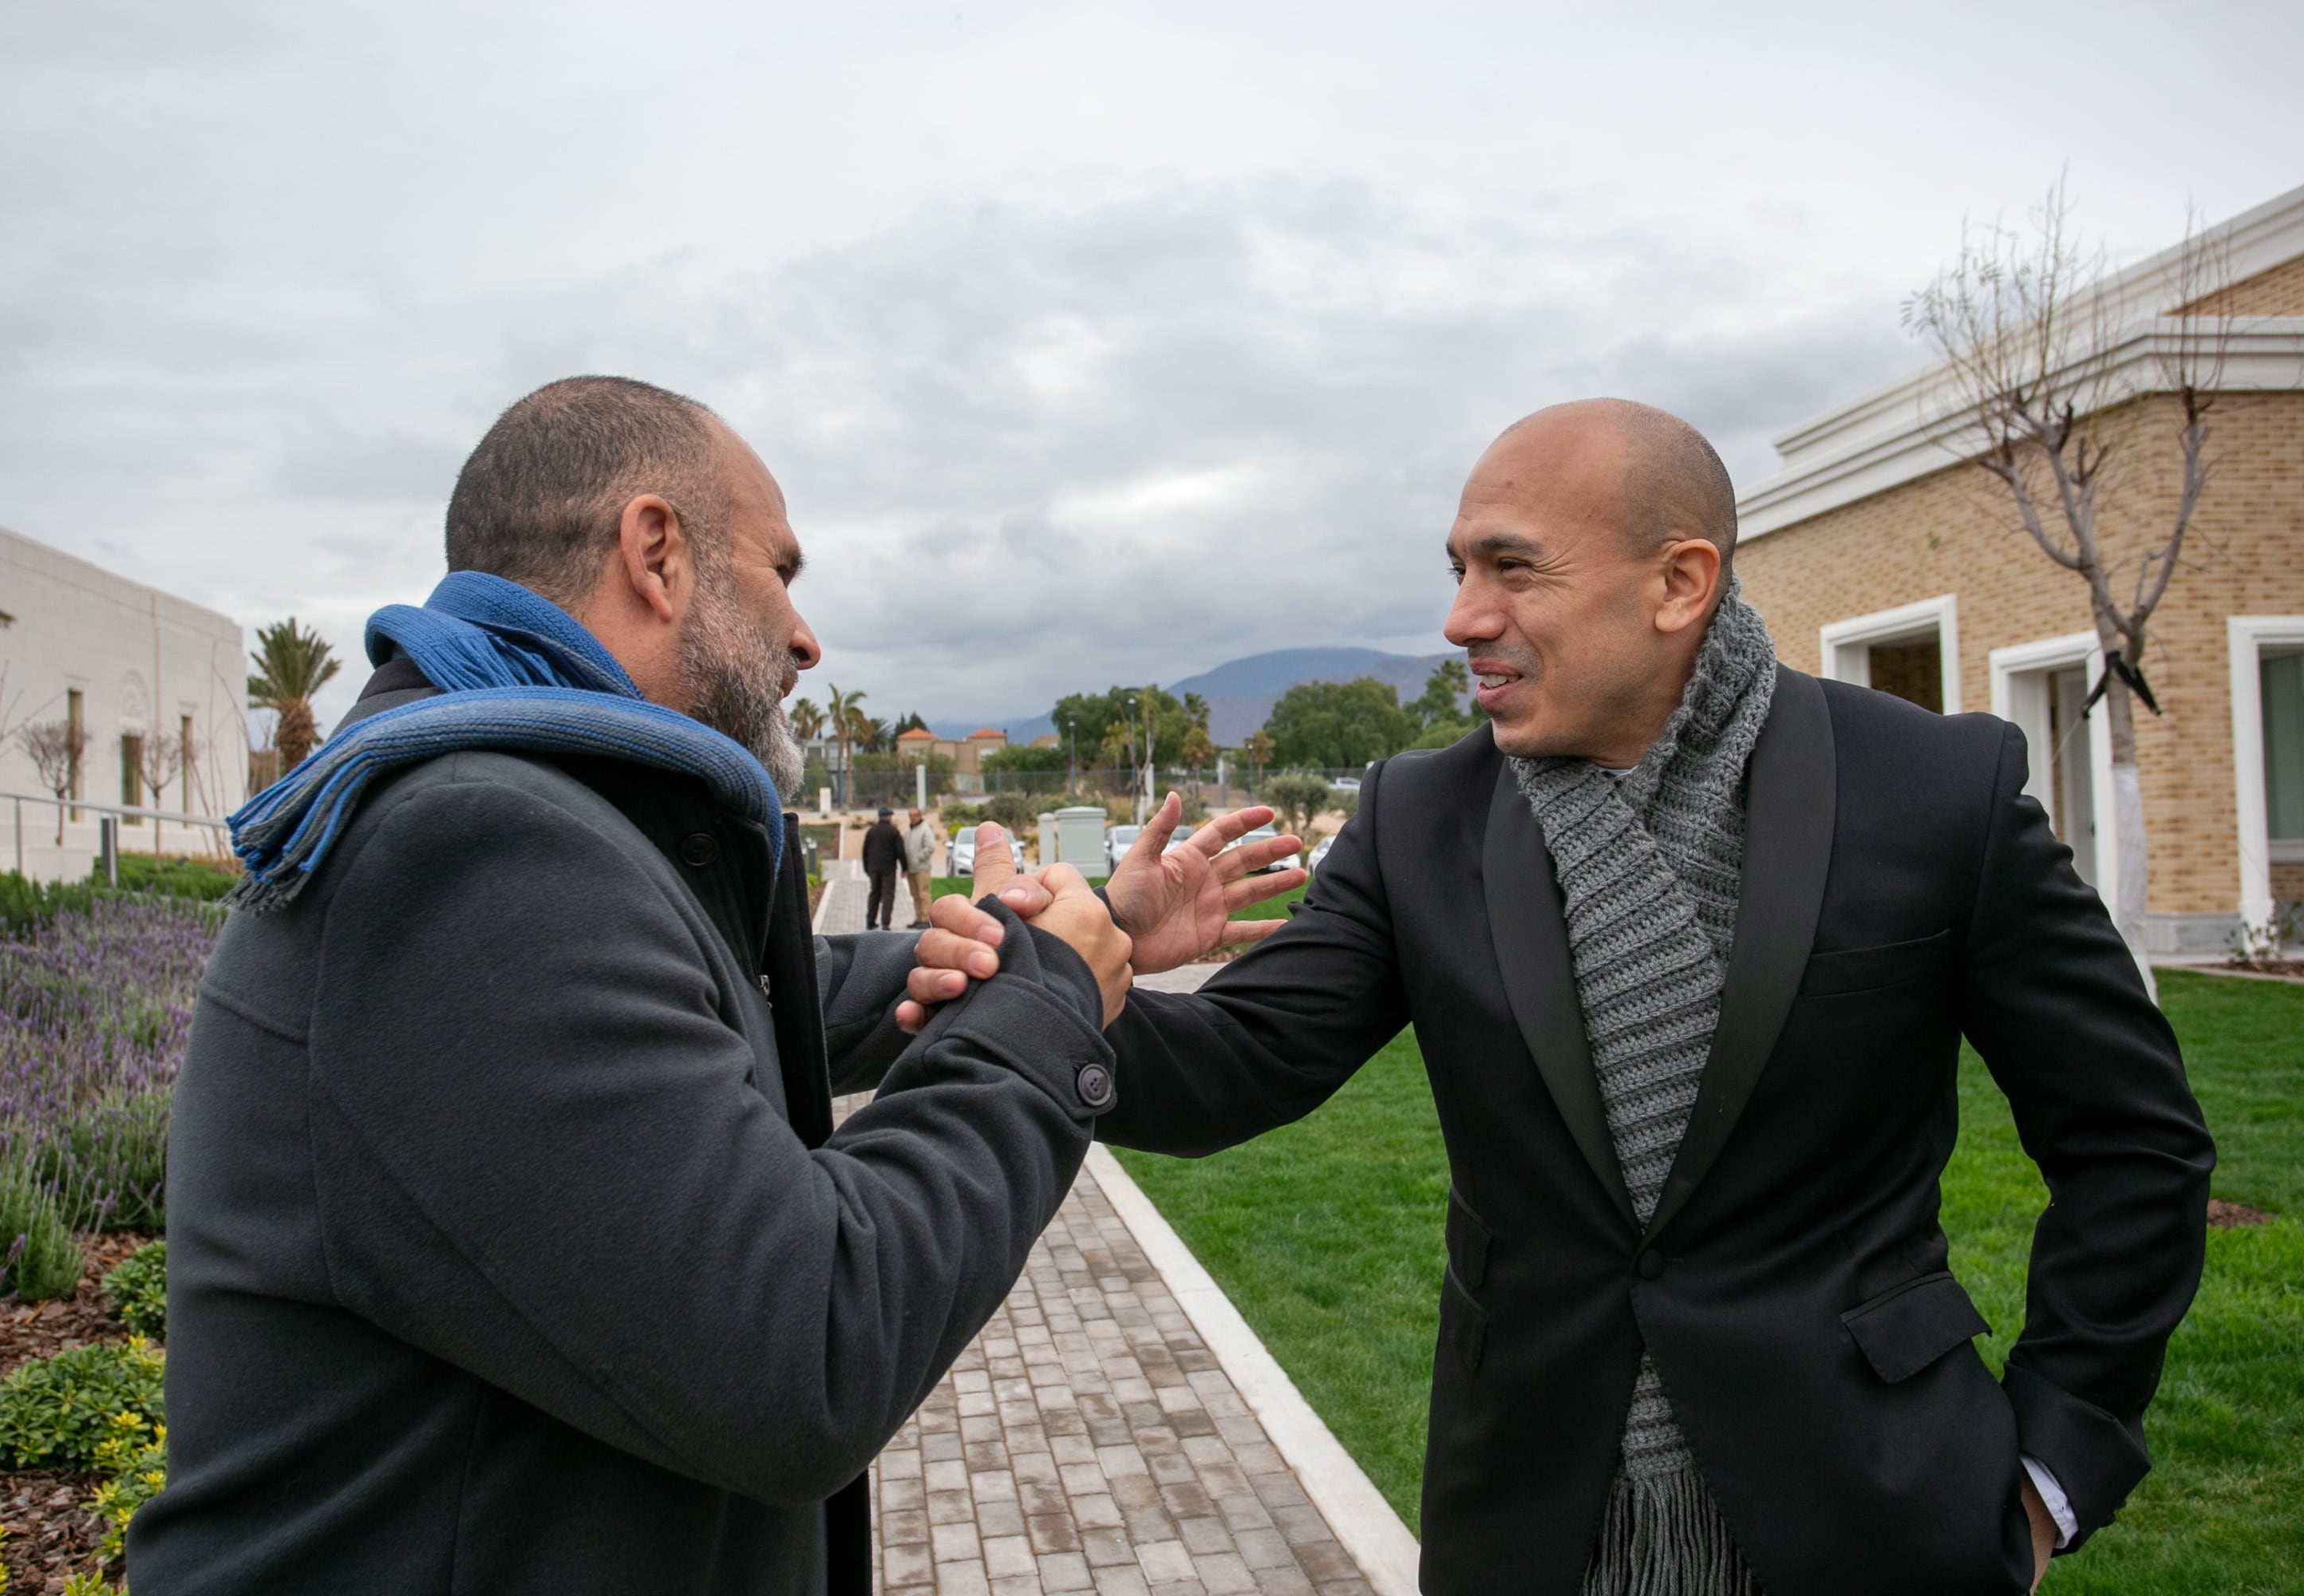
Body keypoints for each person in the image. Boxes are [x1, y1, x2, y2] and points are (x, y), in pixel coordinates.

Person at [947, 400, 2214, 1595]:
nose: (1460, 618)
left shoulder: (1938, 792)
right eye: (1457, 569)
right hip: (1533, 1519)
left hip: (1878, 1505)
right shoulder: (1420, 817)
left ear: (1680, 583)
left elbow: (2135, 1141)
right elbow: (1243, 1062)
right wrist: (1072, 979)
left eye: (1511, 569)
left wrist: (2051, 1471)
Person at [127, 376, 1138, 1596]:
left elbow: (744, 997)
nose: (806, 639)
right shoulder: (472, 853)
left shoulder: (525, 815)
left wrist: (1077, 931)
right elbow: (803, 1345)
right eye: (782, 571)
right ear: (657, 553)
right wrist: (1043, 1013)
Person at [861, 804, 905, 929]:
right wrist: (904, 867)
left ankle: (870, 922)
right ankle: (885, 923)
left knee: (874, 893)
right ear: (889, 817)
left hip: (873, 868)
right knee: (888, 894)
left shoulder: (871, 831)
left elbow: (865, 851)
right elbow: (900, 851)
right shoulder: (893, 831)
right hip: (889, 868)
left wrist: (866, 868)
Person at [902, 804, 939, 927]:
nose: (912, 818)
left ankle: (925, 919)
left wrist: (919, 858)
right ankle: (918, 918)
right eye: (910, 816)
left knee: (923, 894)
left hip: (922, 868)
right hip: (911, 869)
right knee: (915, 895)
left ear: (920, 816)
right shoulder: (908, 831)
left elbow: (930, 846)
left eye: (915, 815)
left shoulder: (925, 829)